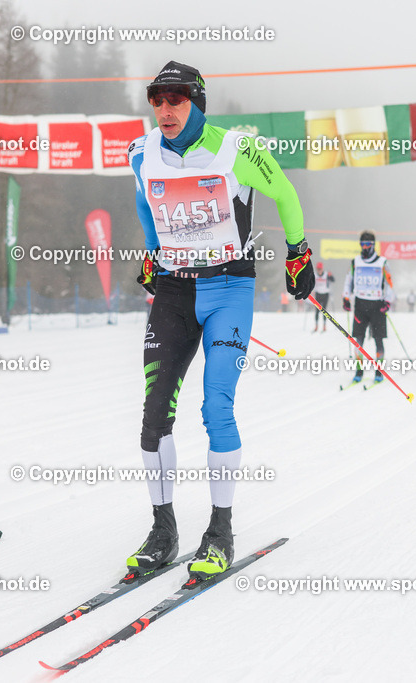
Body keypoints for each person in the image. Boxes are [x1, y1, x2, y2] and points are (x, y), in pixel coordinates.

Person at [127, 61, 312, 581]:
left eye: (176, 99)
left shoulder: (237, 149)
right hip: (174, 288)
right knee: (155, 407)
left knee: (215, 407)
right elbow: (145, 206)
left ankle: (220, 530)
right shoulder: (142, 153)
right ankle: (163, 530)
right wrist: (151, 251)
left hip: (229, 289)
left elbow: (287, 195)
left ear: (197, 102)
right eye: (157, 99)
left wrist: (298, 253)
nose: (165, 110)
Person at [342, 231, 394, 384]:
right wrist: (346, 297)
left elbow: (389, 283)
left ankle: (379, 371)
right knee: (358, 340)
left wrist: (388, 301)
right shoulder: (355, 262)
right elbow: (348, 280)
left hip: (377, 305)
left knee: (378, 340)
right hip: (360, 304)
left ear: (373, 245)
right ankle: (359, 371)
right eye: (362, 244)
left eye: (367, 245)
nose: (364, 248)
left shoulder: (382, 262)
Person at [312, 261, 334, 332]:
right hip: (318, 294)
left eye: (320, 269)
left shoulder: (326, 274)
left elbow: (333, 280)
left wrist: (331, 276)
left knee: (324, 311)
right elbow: (311, 282)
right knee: (317, 311)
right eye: (318, 269)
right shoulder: (315, 275)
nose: (319, 270)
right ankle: (316, 325)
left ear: (322, 269)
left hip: (325, 294)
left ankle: (324, 325)